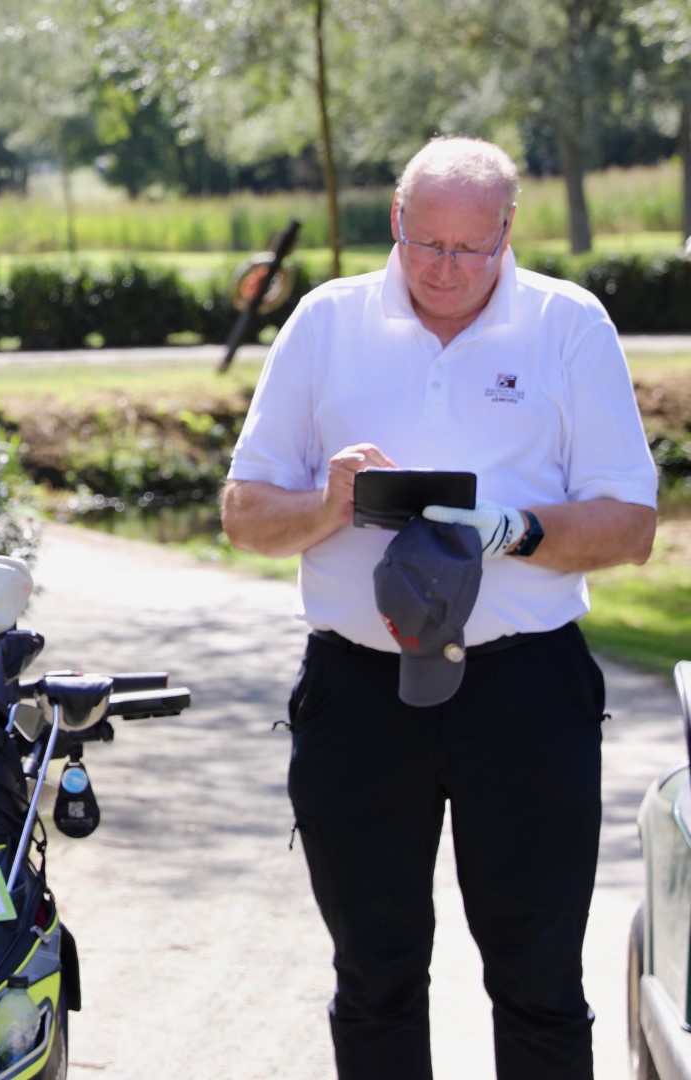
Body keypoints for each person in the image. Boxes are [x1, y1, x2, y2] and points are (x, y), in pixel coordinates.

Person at [221, 135, 657, 1079]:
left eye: (470, 248)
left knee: (538, 979)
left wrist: (515, 530)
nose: (445, 270)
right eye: (426, 244)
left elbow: (631, 526)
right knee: (374, 978)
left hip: (526, 692)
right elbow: (244, 513)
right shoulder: (325, 322)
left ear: (508, 231)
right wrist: (327, 505)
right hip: (358, 693)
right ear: (395, 221)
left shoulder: (567, 323)